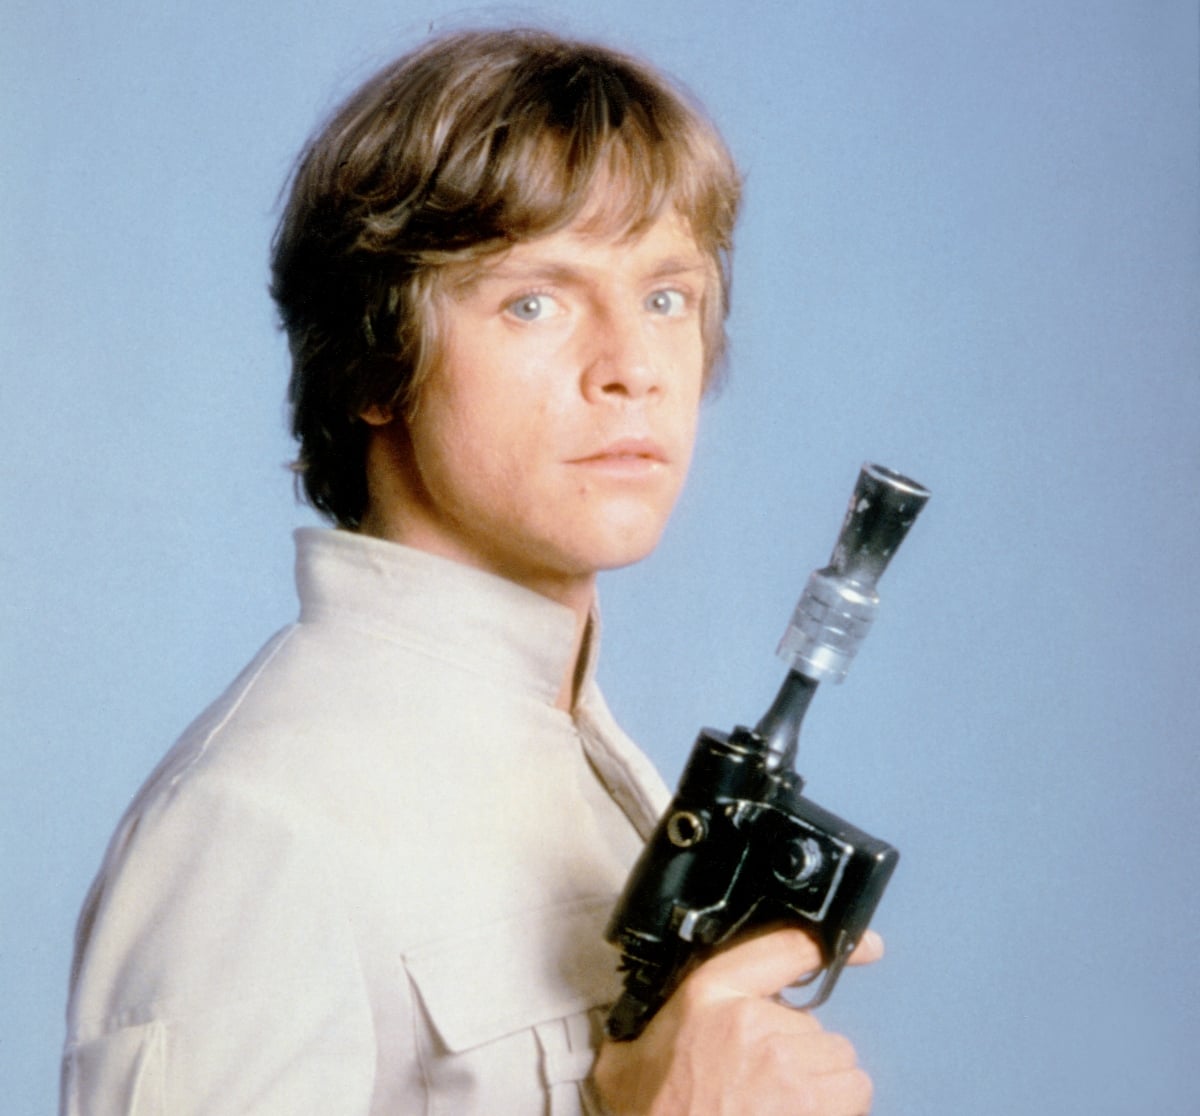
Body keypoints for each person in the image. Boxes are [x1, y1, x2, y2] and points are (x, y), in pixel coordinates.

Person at [60, 27, 881, 1116]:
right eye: (534, 302)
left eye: (666, 297)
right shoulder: (256, 825)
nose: (632, 368)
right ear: (373, 362)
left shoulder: (586, 757)